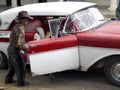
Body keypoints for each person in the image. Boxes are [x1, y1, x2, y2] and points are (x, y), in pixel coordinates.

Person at [5, 11, 33, 87]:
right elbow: (19, 44)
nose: (27, 21)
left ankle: (8, 79)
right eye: (26, 20)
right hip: (14, 50)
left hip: (10, 48)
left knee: (13, 66)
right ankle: (21, 82)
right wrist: (26, 49)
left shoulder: (16, 26)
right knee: (21, 66)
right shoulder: (21, 29)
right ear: (23, 20)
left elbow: (12, 39)